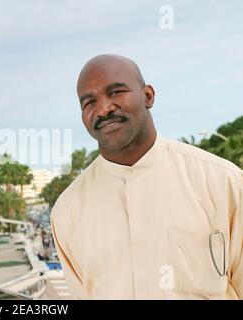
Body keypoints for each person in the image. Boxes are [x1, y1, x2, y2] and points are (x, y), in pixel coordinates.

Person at [50, 54, 242, 299]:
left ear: (148, 96)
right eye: (89, 102)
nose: (103, 108)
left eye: (116, 92)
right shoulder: (68, 211)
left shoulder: (223, 182)